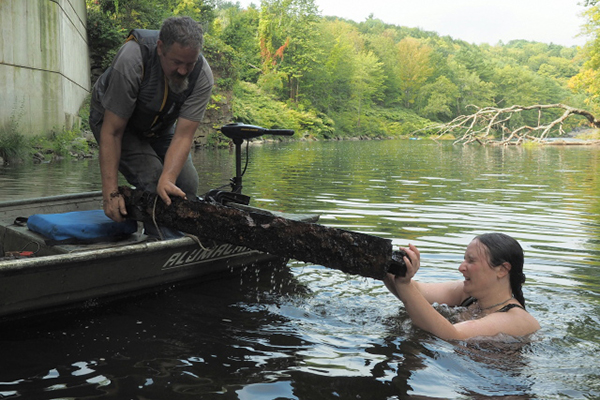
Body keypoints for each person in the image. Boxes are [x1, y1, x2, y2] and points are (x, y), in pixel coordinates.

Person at [89, 16, 213, 236]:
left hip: (159, 127)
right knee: (153, 179)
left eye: (190, 63)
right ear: (160, 48)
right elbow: (113, 132)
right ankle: (161, 244)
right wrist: (110, 193)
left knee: (186, 184)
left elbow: (183, 136)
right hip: (115, 124)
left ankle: (176, 237)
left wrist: (169, 179)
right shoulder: (132, 59)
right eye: (176, 62)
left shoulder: (202, 75)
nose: (184, 71)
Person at [384, 233, 540, 340]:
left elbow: (452, 335)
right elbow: (417, 292)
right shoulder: (468, 295)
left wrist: (404, 283)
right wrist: (384, 267)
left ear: (502, 270)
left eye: (471, 261)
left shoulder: (515, 320)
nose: (461, 267)